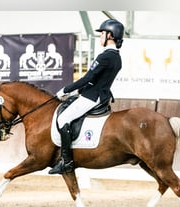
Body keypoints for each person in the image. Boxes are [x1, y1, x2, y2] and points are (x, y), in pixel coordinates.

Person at [49, 19, 124, 175]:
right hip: (101, 95)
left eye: (102, 33)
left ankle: (66, 161)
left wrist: (66, 89)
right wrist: (79, 91)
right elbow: (97, 80)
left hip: (92, 97)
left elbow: (88, 78)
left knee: (63, 119)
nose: (100, 37)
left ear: (110, 35)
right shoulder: (117, 57)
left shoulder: (105, 57)